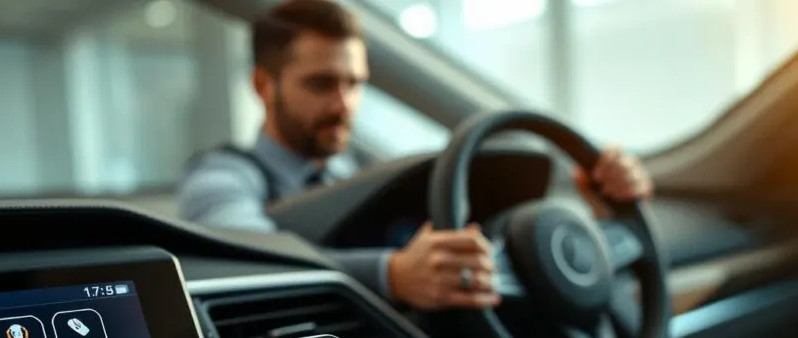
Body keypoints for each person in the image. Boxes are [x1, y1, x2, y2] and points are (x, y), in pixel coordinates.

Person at [178, 0, 652, 311]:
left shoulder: (368, 167)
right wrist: (392, 275)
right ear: (264, 85)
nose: (344, 104)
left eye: (355, 84)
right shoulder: (222, 175)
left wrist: (601, 212)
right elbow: (253, 260)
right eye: (322, 84)